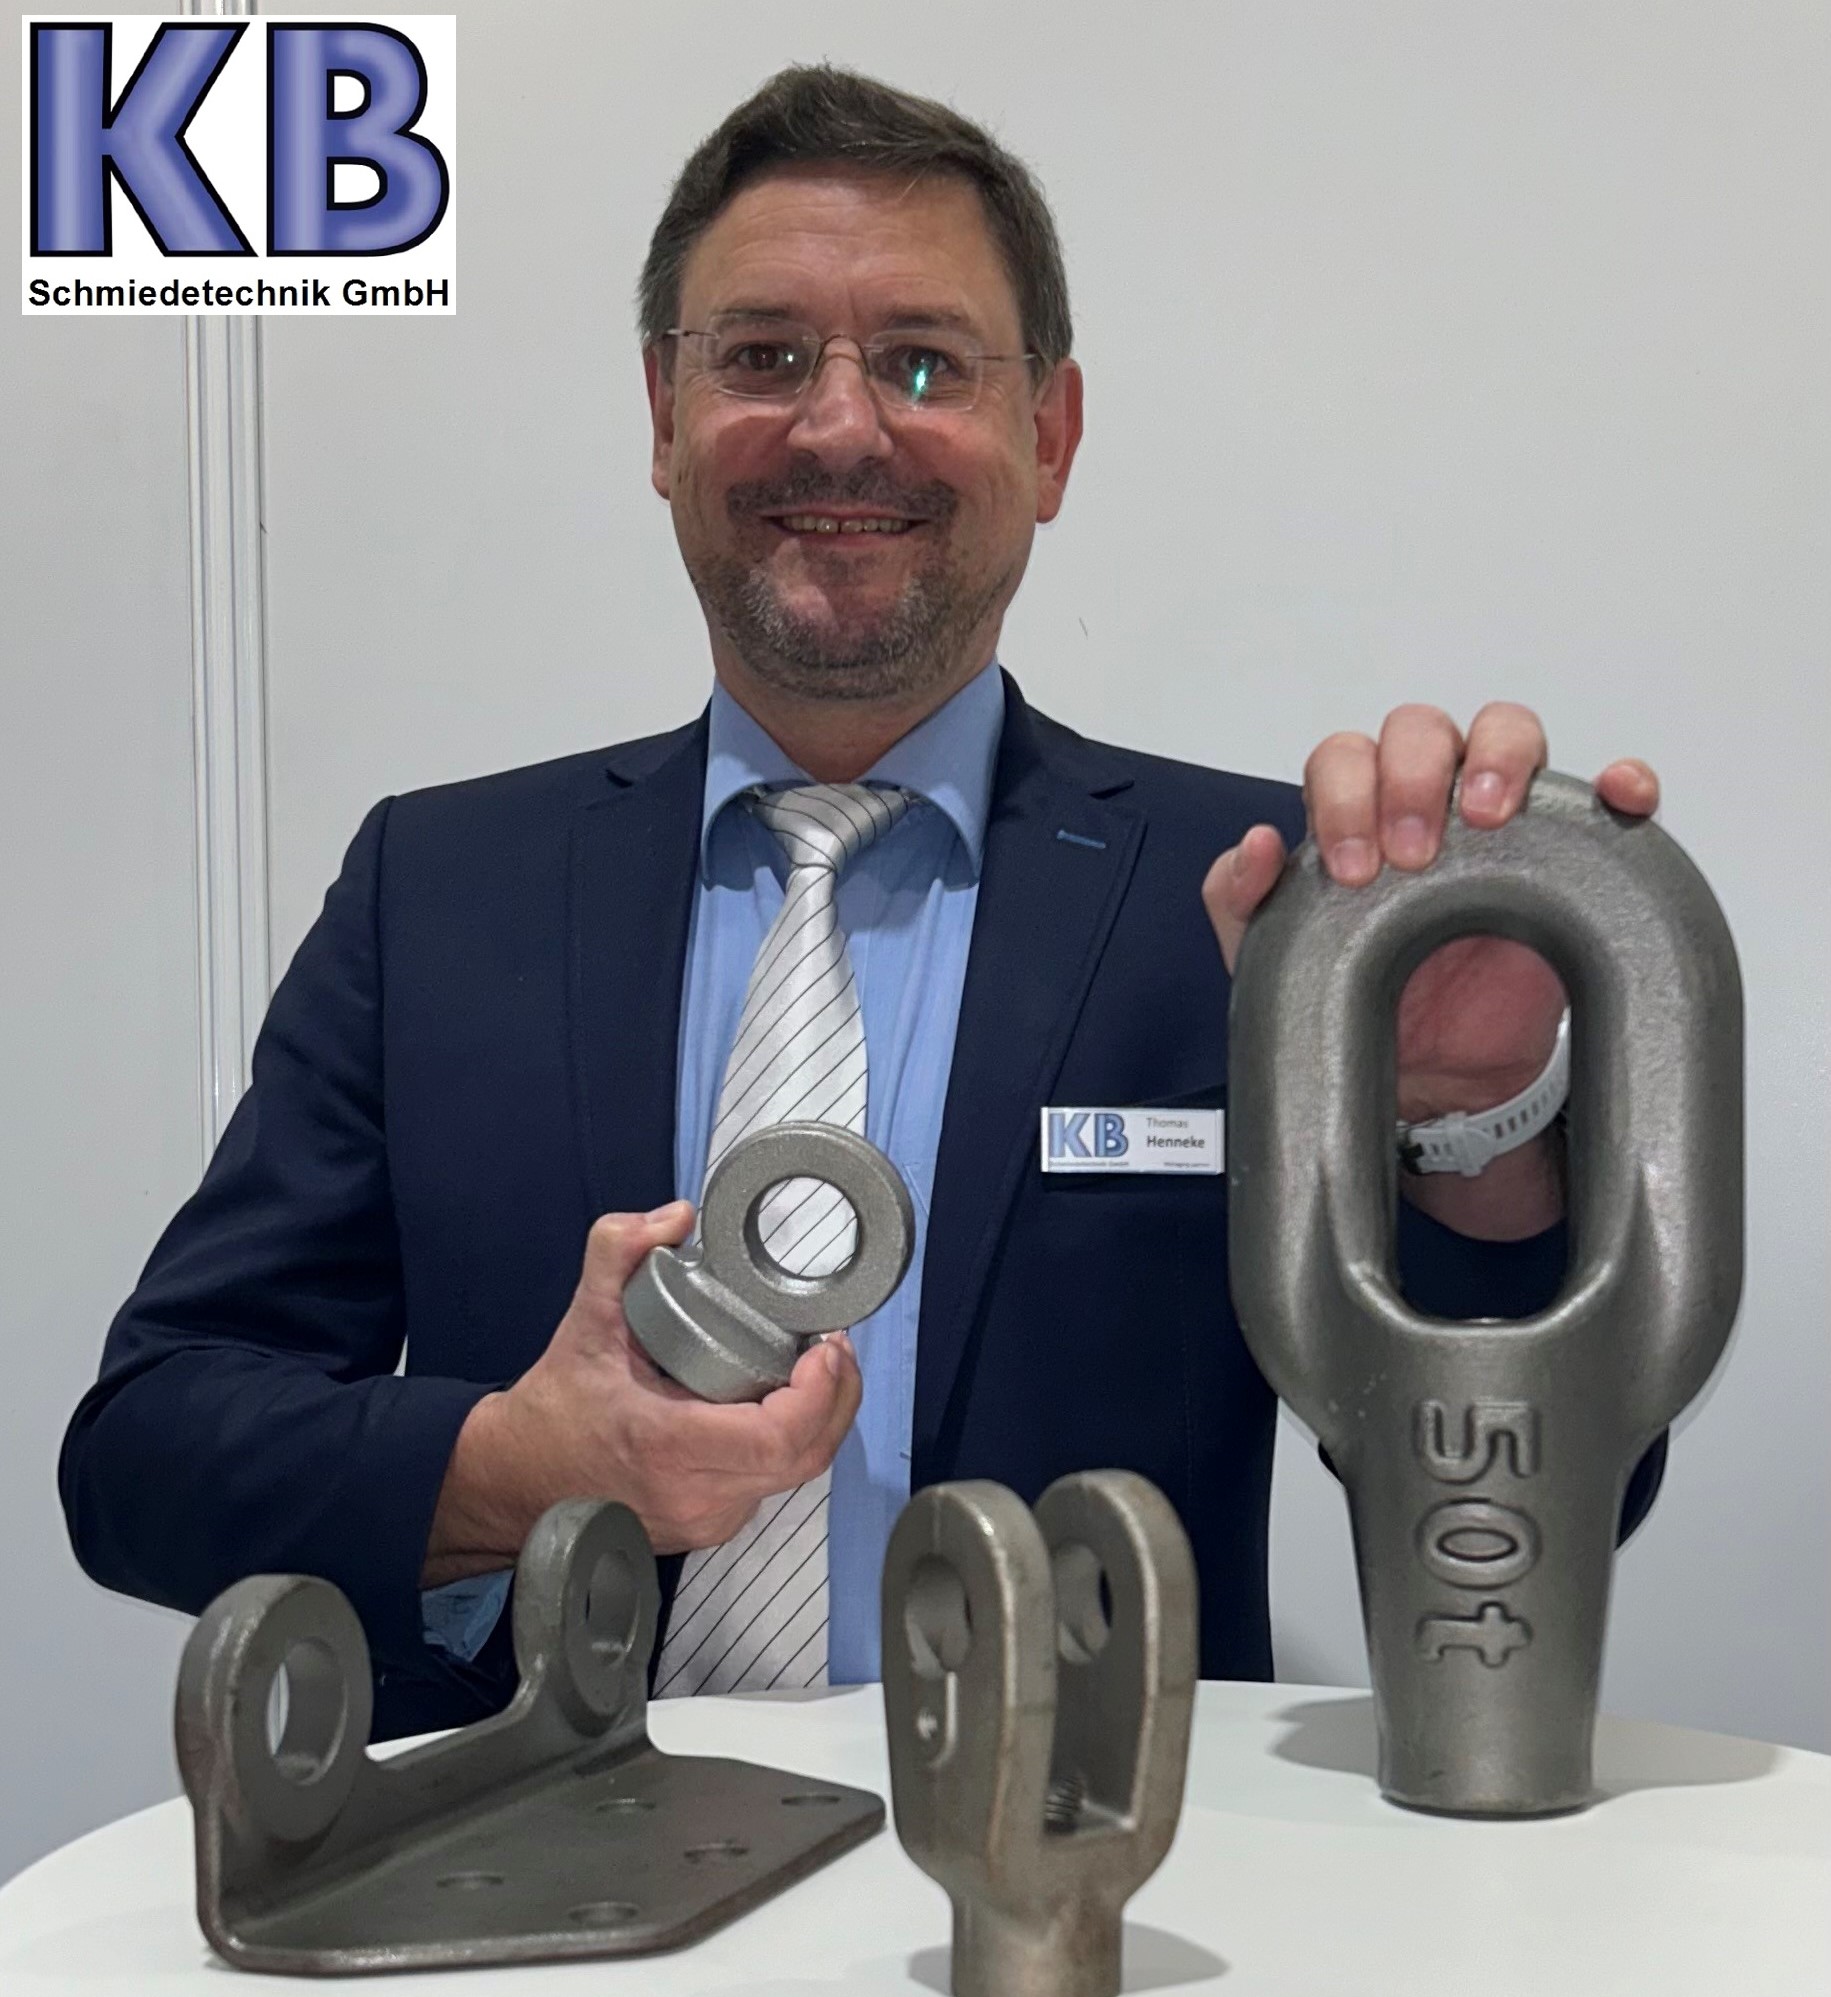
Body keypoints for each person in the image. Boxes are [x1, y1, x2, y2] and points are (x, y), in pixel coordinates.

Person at [61, 66, 1665, 1732]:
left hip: (1093, 1857)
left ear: (1050, 436)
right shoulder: (439, 892)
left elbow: (1550, 1497)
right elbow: (144, 1453)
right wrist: (508, 1466)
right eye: (763, 357)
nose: (840, 427)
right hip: (530, 1856)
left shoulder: (1264, 907)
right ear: (664, 419)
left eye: (923, 362)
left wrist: (1466, 1135)